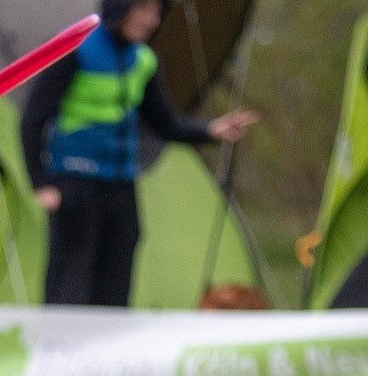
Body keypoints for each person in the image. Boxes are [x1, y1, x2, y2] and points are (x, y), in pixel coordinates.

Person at [19, 0, 259, 307]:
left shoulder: (144, 61)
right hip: (75, 184)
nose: (152, 20)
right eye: (144, 10)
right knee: (70, 282)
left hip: (120, 186)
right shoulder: (76, 51)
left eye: (157, 12)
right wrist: (40, 182)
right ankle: (60, 336)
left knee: (116, 278)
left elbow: (164, 122)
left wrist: (210, 130)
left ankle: (112, 336)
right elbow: (32, 118)